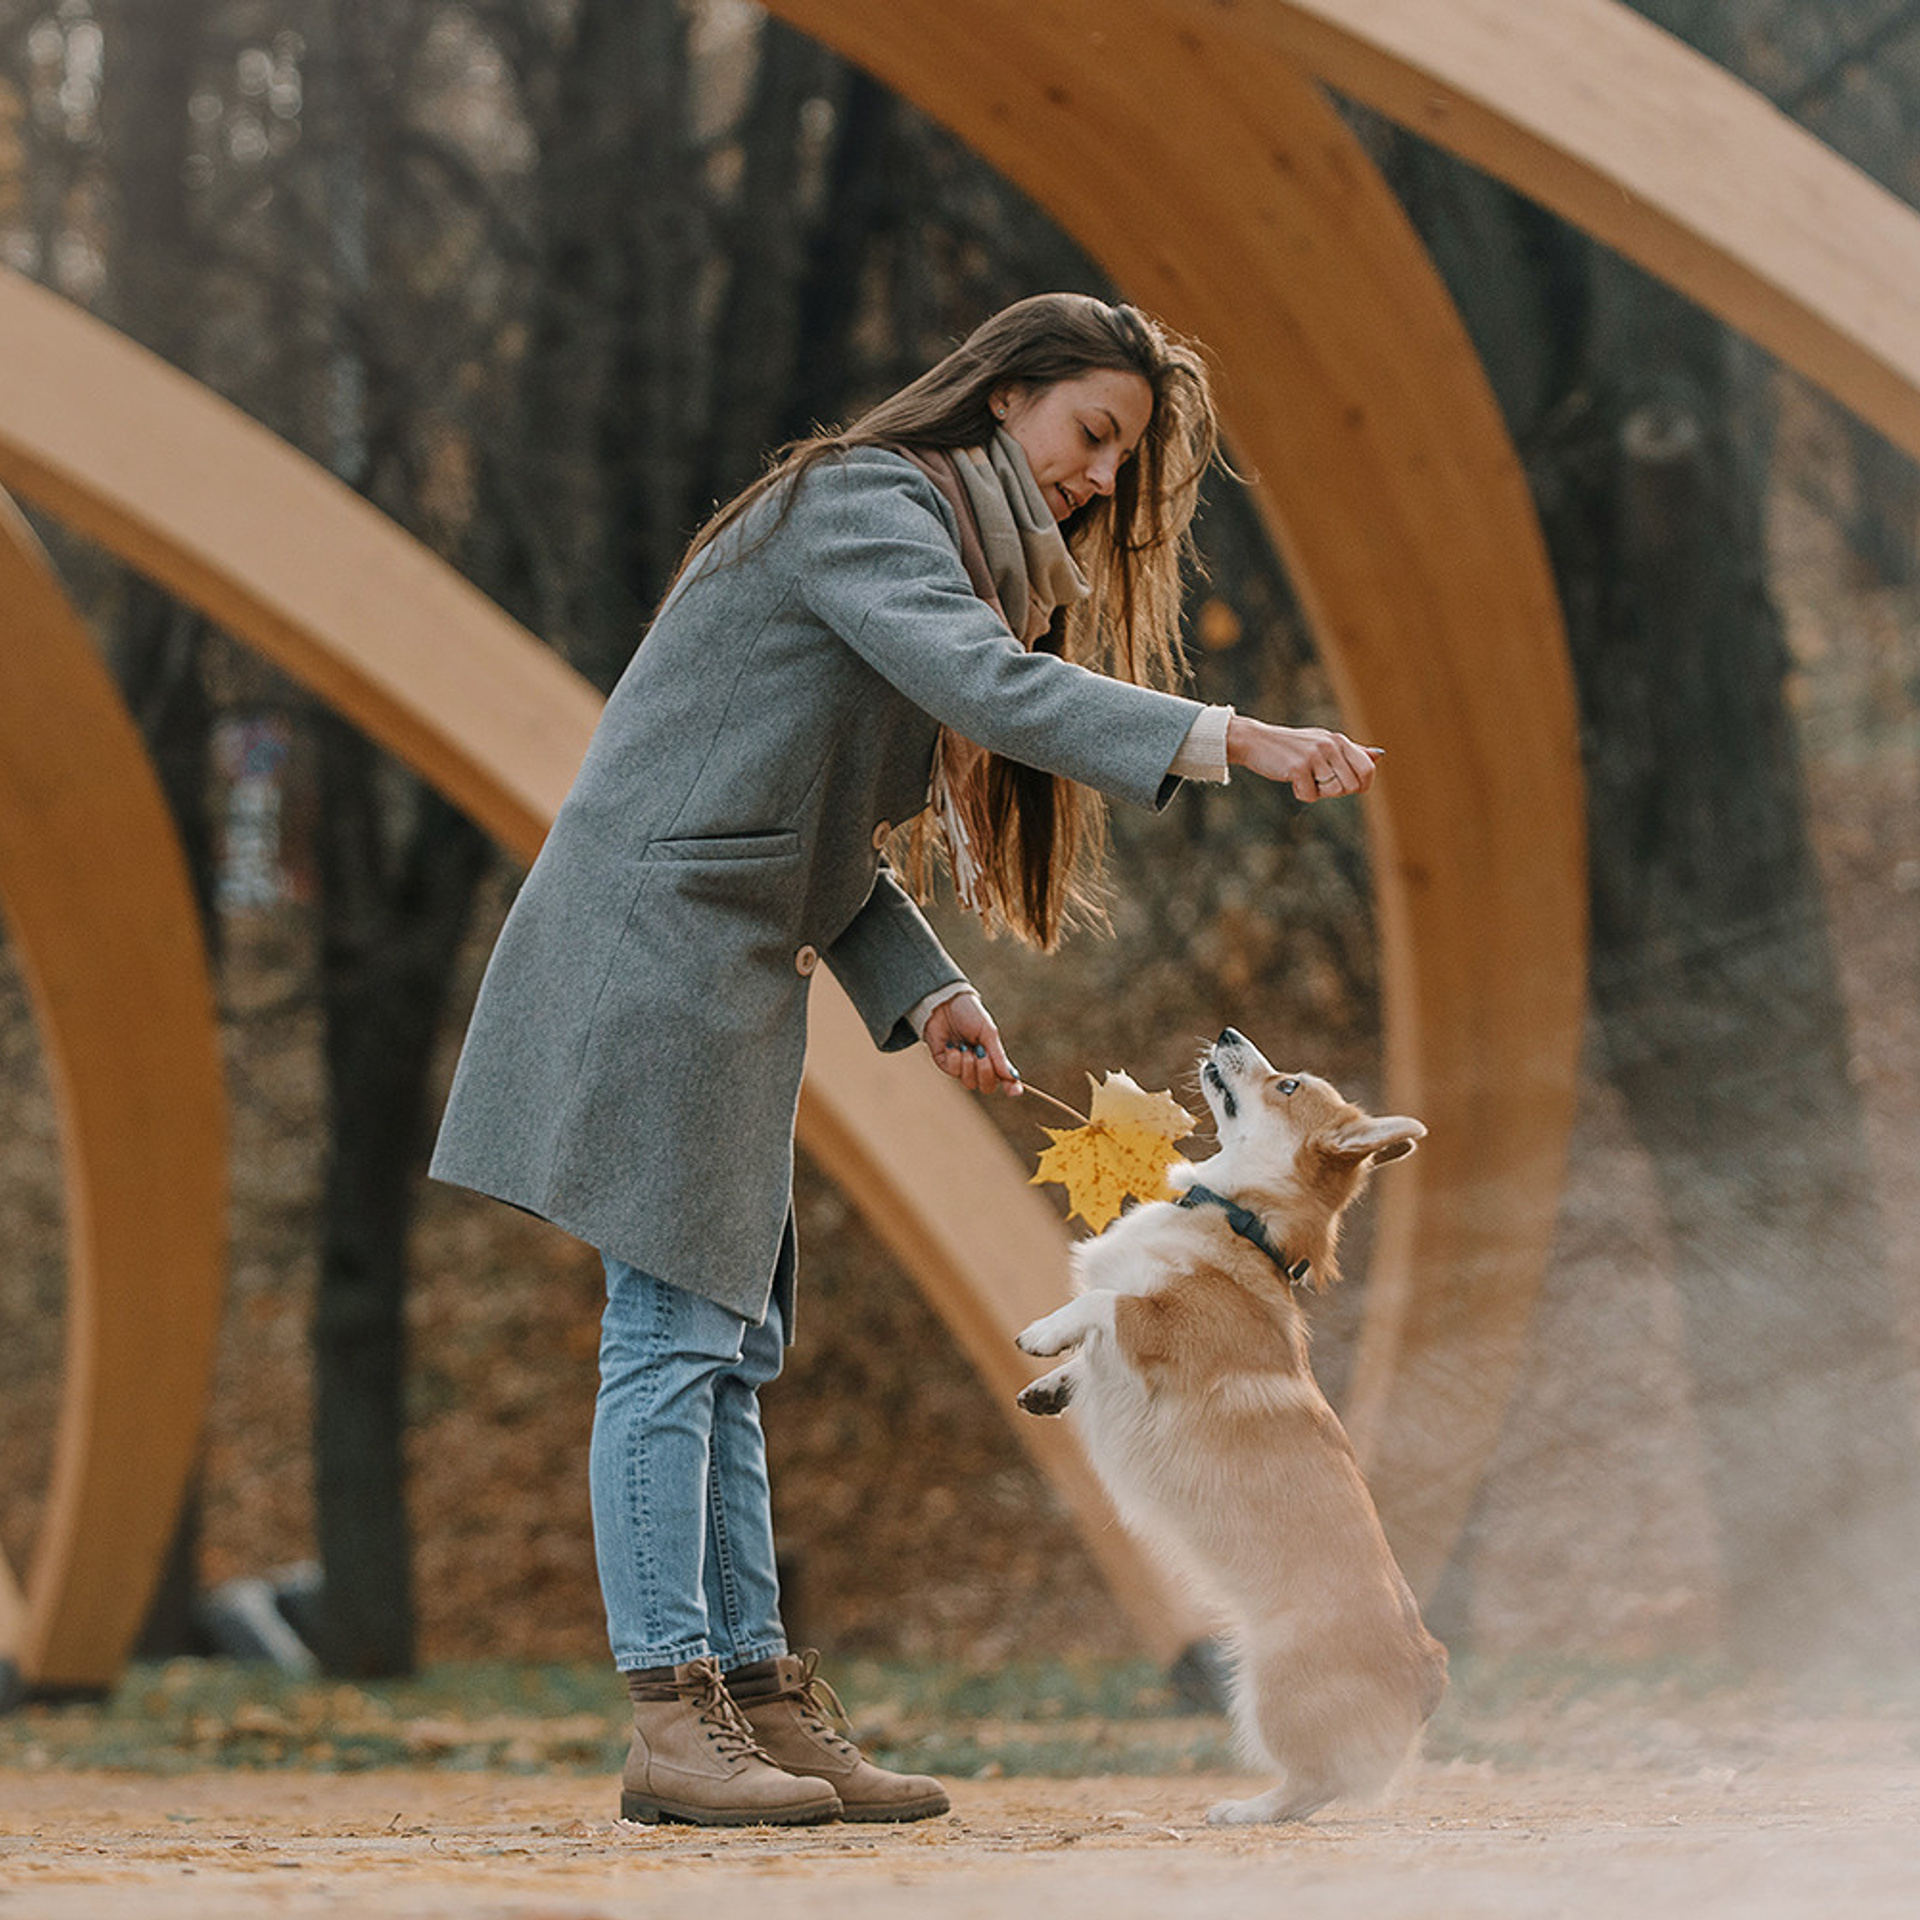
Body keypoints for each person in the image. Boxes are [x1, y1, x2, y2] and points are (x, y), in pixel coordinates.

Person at [429, 292, 1379, 1827]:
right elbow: (989, 693)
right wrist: (1233, 737)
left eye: (1122, 459)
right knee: (670, 1339)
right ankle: (674, 1719)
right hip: (652, 951)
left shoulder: (931, 543)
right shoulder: (863, 507)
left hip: (716, 955)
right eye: (1093, 433)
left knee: (727, 1345)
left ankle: (754, 1700)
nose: (1098, 474)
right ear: (1005, 397)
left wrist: (925, 989)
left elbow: (803, 829)